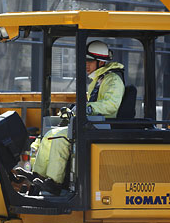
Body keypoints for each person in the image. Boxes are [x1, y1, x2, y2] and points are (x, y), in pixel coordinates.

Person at [26, 41, 125, 195]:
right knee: (50, 135)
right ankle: (38, 176)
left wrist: (84, 108)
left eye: (90, 61)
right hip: (94, 124)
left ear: (101, 61)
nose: (86, 64)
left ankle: (55, 183)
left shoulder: (113, 80)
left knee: (60, 138)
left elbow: (110, 105)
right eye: (85, 61)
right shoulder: (99, 79)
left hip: (103, 126)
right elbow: (92, 103)